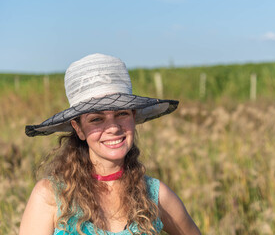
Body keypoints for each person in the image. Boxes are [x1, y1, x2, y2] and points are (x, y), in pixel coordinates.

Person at [19, 53, 201, 235]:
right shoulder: (50, 196)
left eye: (121, 114)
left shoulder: (155, 195)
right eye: (97, 119)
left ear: (133, 117)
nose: (113, 128)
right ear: (79, 128)